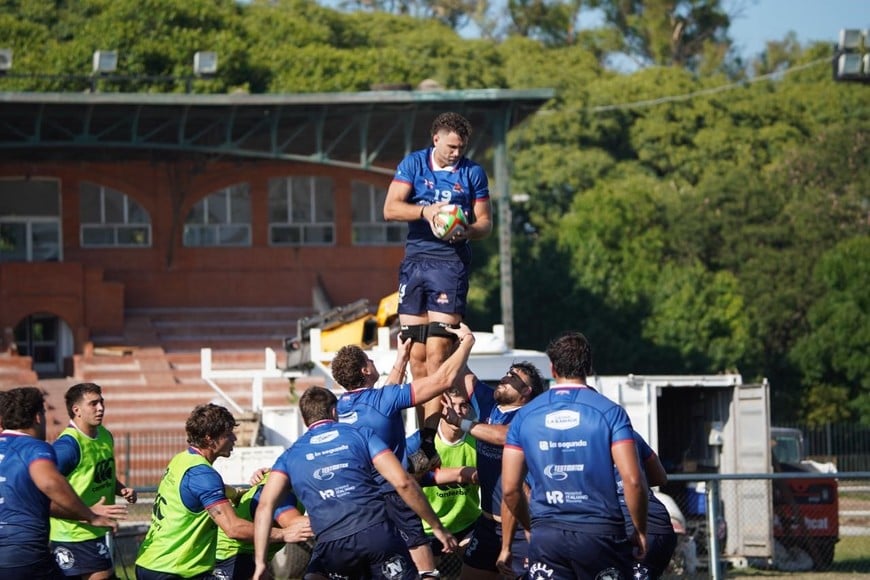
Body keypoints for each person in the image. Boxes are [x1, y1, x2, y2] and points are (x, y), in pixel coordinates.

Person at [382, 111, 493, 473]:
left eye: (461, 147)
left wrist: (466, 230)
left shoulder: (472, 173)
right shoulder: (413, 164)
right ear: (436, 140)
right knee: (414, 352)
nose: (457, 153)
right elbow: (390, 208)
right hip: (415, 262)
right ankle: (423, 441)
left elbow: (485, 223)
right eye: (451, 147)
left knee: (437, 350)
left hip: (449, 265)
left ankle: (432, 440)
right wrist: (427, 212)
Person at [252, 386, 458, 580]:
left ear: (304, 419)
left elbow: (265, 506)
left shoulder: (289, 456)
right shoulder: (361, 435)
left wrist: (260, 563)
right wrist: (436, 526)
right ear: (334, 411)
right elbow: (403, 482)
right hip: (376, 534)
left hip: (334, 546)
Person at [500, 331, 648, 579]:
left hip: (547, 536)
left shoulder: (525, 416)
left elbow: (510, 490)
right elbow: (633, 480)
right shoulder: (610, 412)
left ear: (552, 368)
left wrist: (530, 527)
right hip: (599, 534)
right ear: (588, 367)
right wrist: (640, 530)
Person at [334, 323, 476, 577]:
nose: (373, 361)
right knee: (425, 570)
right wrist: (467, 343)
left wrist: (401, 358)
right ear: (365, 370)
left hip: (357, 499)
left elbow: (382, 402)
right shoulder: (383, 400)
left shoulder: (340, 407)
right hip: (392, 493)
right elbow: (442, 380)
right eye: (369, 359)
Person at [135, 403, 303, 579]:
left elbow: (202, 490)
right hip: (173, 570)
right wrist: (283, 533)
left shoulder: (182, 460)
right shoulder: (204, 475)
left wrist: (236, 493)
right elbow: (234, 528)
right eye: (228, 434)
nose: (234, 439)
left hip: (150, 563)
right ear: (209, 439)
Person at [0, 387, 120, 580]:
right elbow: (50, 483)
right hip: (27, 551)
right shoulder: (36, 448)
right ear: (38, 417)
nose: (100, 408)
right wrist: (90, 515)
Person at [440, 362, 546, 580]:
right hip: (488, 524)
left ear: (526, 391)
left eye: (514, 378)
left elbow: (503, 435)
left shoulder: (530, 416)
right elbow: (460, 370)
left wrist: (461, 422)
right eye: (507, 373)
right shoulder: (488, 402)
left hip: (522, 527)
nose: (506, 378)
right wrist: (461, 343)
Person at [50, 383, 138, 580]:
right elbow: (45, 490)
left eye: (102, 402)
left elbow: (101, 475)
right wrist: (87, 512)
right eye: (93, 404)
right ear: (77, 410)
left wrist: (121, 489)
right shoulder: (67, 446)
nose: (101, 408)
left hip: (98, 528)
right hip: (73, 534)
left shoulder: (105, 435)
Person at [405, 385, 480, 559]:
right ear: (440, 408)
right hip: (429, 528)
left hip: (469, 525)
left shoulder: (479, 443)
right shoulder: (419, 444)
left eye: (463, 405)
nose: (458, 411)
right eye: (451, 405)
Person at [212, 470, 312, 580]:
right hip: (234, 556)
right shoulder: (281, 495)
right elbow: (297, 524)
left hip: (239, 555)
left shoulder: (277, 477)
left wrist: (236, 493)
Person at [619, 431, 677, 580]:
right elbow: (660, 477)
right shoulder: (627, 433)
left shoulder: (574, 439)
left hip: (629, 530)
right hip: (658, 526)